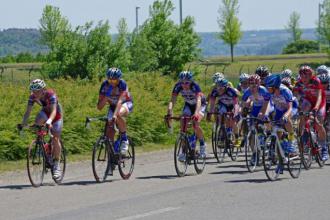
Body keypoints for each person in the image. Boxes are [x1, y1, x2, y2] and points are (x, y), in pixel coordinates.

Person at [19, 79, 63, 180]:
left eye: (37, 91)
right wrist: (23, 124)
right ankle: (41, 144)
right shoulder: (32, 97)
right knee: (37, 122)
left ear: (43, 89)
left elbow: (54, 111)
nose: (35, 93)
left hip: (56, 115)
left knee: (56, 139)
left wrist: (49, 121)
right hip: (45, 112)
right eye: (33, 91)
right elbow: (27, 112)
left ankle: (56, 165)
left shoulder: (50, 94)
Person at [167, 71, 207, 159]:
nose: (184, 84)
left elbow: (199, 100)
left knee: (195, 124)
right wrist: (169, 111)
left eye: (186, 82)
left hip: (200, 105)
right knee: (183, 126)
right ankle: (184, 151)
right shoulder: (177, 86)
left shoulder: (195, 86)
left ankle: (202, 144)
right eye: (182, 82)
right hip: (188, 105)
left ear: (191, 81)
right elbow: (173, 100)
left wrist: (196, 113)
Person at [293, 65, 328, 161]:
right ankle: (303, 140)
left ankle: (324, 148)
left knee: (318, 124)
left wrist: (316, 107)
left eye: (306, 76)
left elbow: (320, 96)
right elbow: (295, 97)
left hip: (319, 102)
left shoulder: (316, 81)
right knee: (302, 119)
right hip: (308, 101)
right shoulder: (298, 83)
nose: (304, 78)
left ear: (310, 75)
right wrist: (296, 109)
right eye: (302, 76)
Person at [97, 67, 133, 154]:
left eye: (114, 80)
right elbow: (99, 107)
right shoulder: (104, 85)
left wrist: (115, 115)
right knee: (109, 131)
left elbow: (120, 101)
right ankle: (112, 155)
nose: (112, 82)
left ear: (119, 79)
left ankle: (124, 139)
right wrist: (106, 96)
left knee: (118, 114)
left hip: (125, 103)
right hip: (113, 106)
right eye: (110, 80)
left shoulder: (122, 84)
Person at [262, 74, 297, 156]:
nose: (267, 89)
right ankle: (282, 144)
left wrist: (285, 116)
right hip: (280, 108)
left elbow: (290, 108)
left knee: (286, 119)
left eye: (269, 88)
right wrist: (264, 114)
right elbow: (266, 105)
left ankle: (292, 140)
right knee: (276, 128)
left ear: (275, 87)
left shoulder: (285, 91)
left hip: (291, 108)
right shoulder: (269, 92)